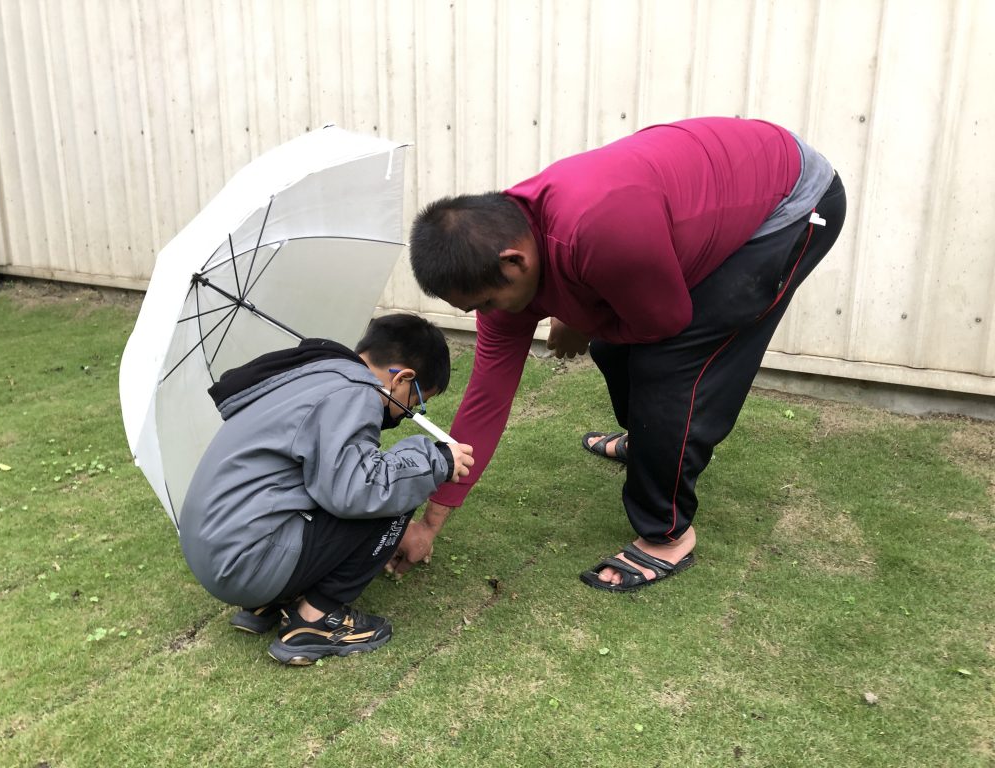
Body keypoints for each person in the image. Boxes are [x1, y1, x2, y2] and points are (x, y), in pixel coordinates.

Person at [396, 116, 846, 592]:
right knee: (614, 344)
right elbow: (486, 401)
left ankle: (667, 535)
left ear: (514, 262)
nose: (488, 314)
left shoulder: (598, 231)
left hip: (791, 203)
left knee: (669, 364)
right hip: (695, 202)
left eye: (487, 302)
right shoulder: (501, 243)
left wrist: (578, 322)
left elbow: (665, 323)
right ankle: (652, 446)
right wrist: (431, 522)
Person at [178, 313, 474, 665]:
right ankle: (313, 620)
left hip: (218, 553)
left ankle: (268, 602)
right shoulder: (353, 393)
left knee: (376, 476)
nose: (411, 412)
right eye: (417, 401)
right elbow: (360, 490)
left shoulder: (312, 378)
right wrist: (435, 460)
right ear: (403, 378)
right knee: (401, 480)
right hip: (245, 562)